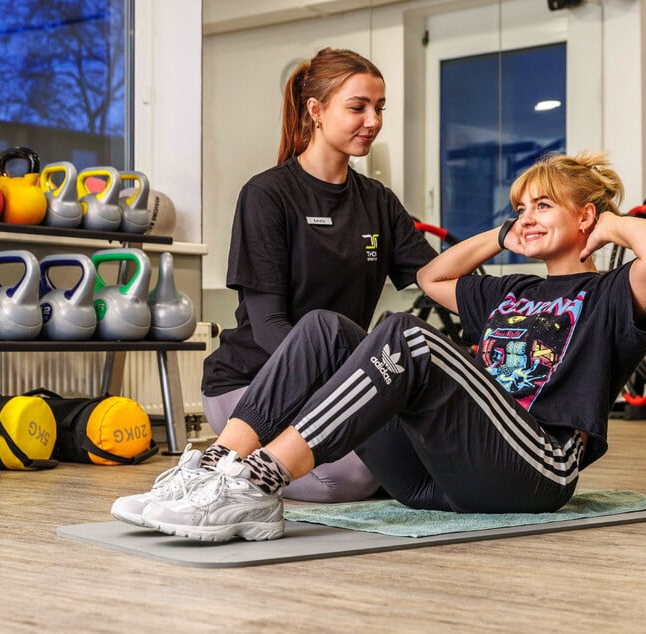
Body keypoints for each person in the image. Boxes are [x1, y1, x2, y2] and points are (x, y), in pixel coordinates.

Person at [119, 150, 646, 542]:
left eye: (543, 206)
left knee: (406, 336)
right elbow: (433, 279)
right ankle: (221, 465)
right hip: (435, 478)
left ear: (586, 216)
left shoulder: (614, 293)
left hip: (534, 468)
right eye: (521, 207)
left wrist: (610, 226)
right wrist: (499, 236)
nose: (527, 217)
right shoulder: (512, 291)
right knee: (323, 327)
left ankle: (259, 482)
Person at [110, 48, 436, 525]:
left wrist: (513, 237)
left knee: (408, 458)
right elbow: (267, 327)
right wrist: (349, 386)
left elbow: (436, 275)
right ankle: (213, 469)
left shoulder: (378, 202)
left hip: (337, 382)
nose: (373, 120)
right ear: (316, 110)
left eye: (380, 107)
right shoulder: (267, 195)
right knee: (347, 479)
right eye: (358, 106)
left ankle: (234, 467)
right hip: (252, 382)